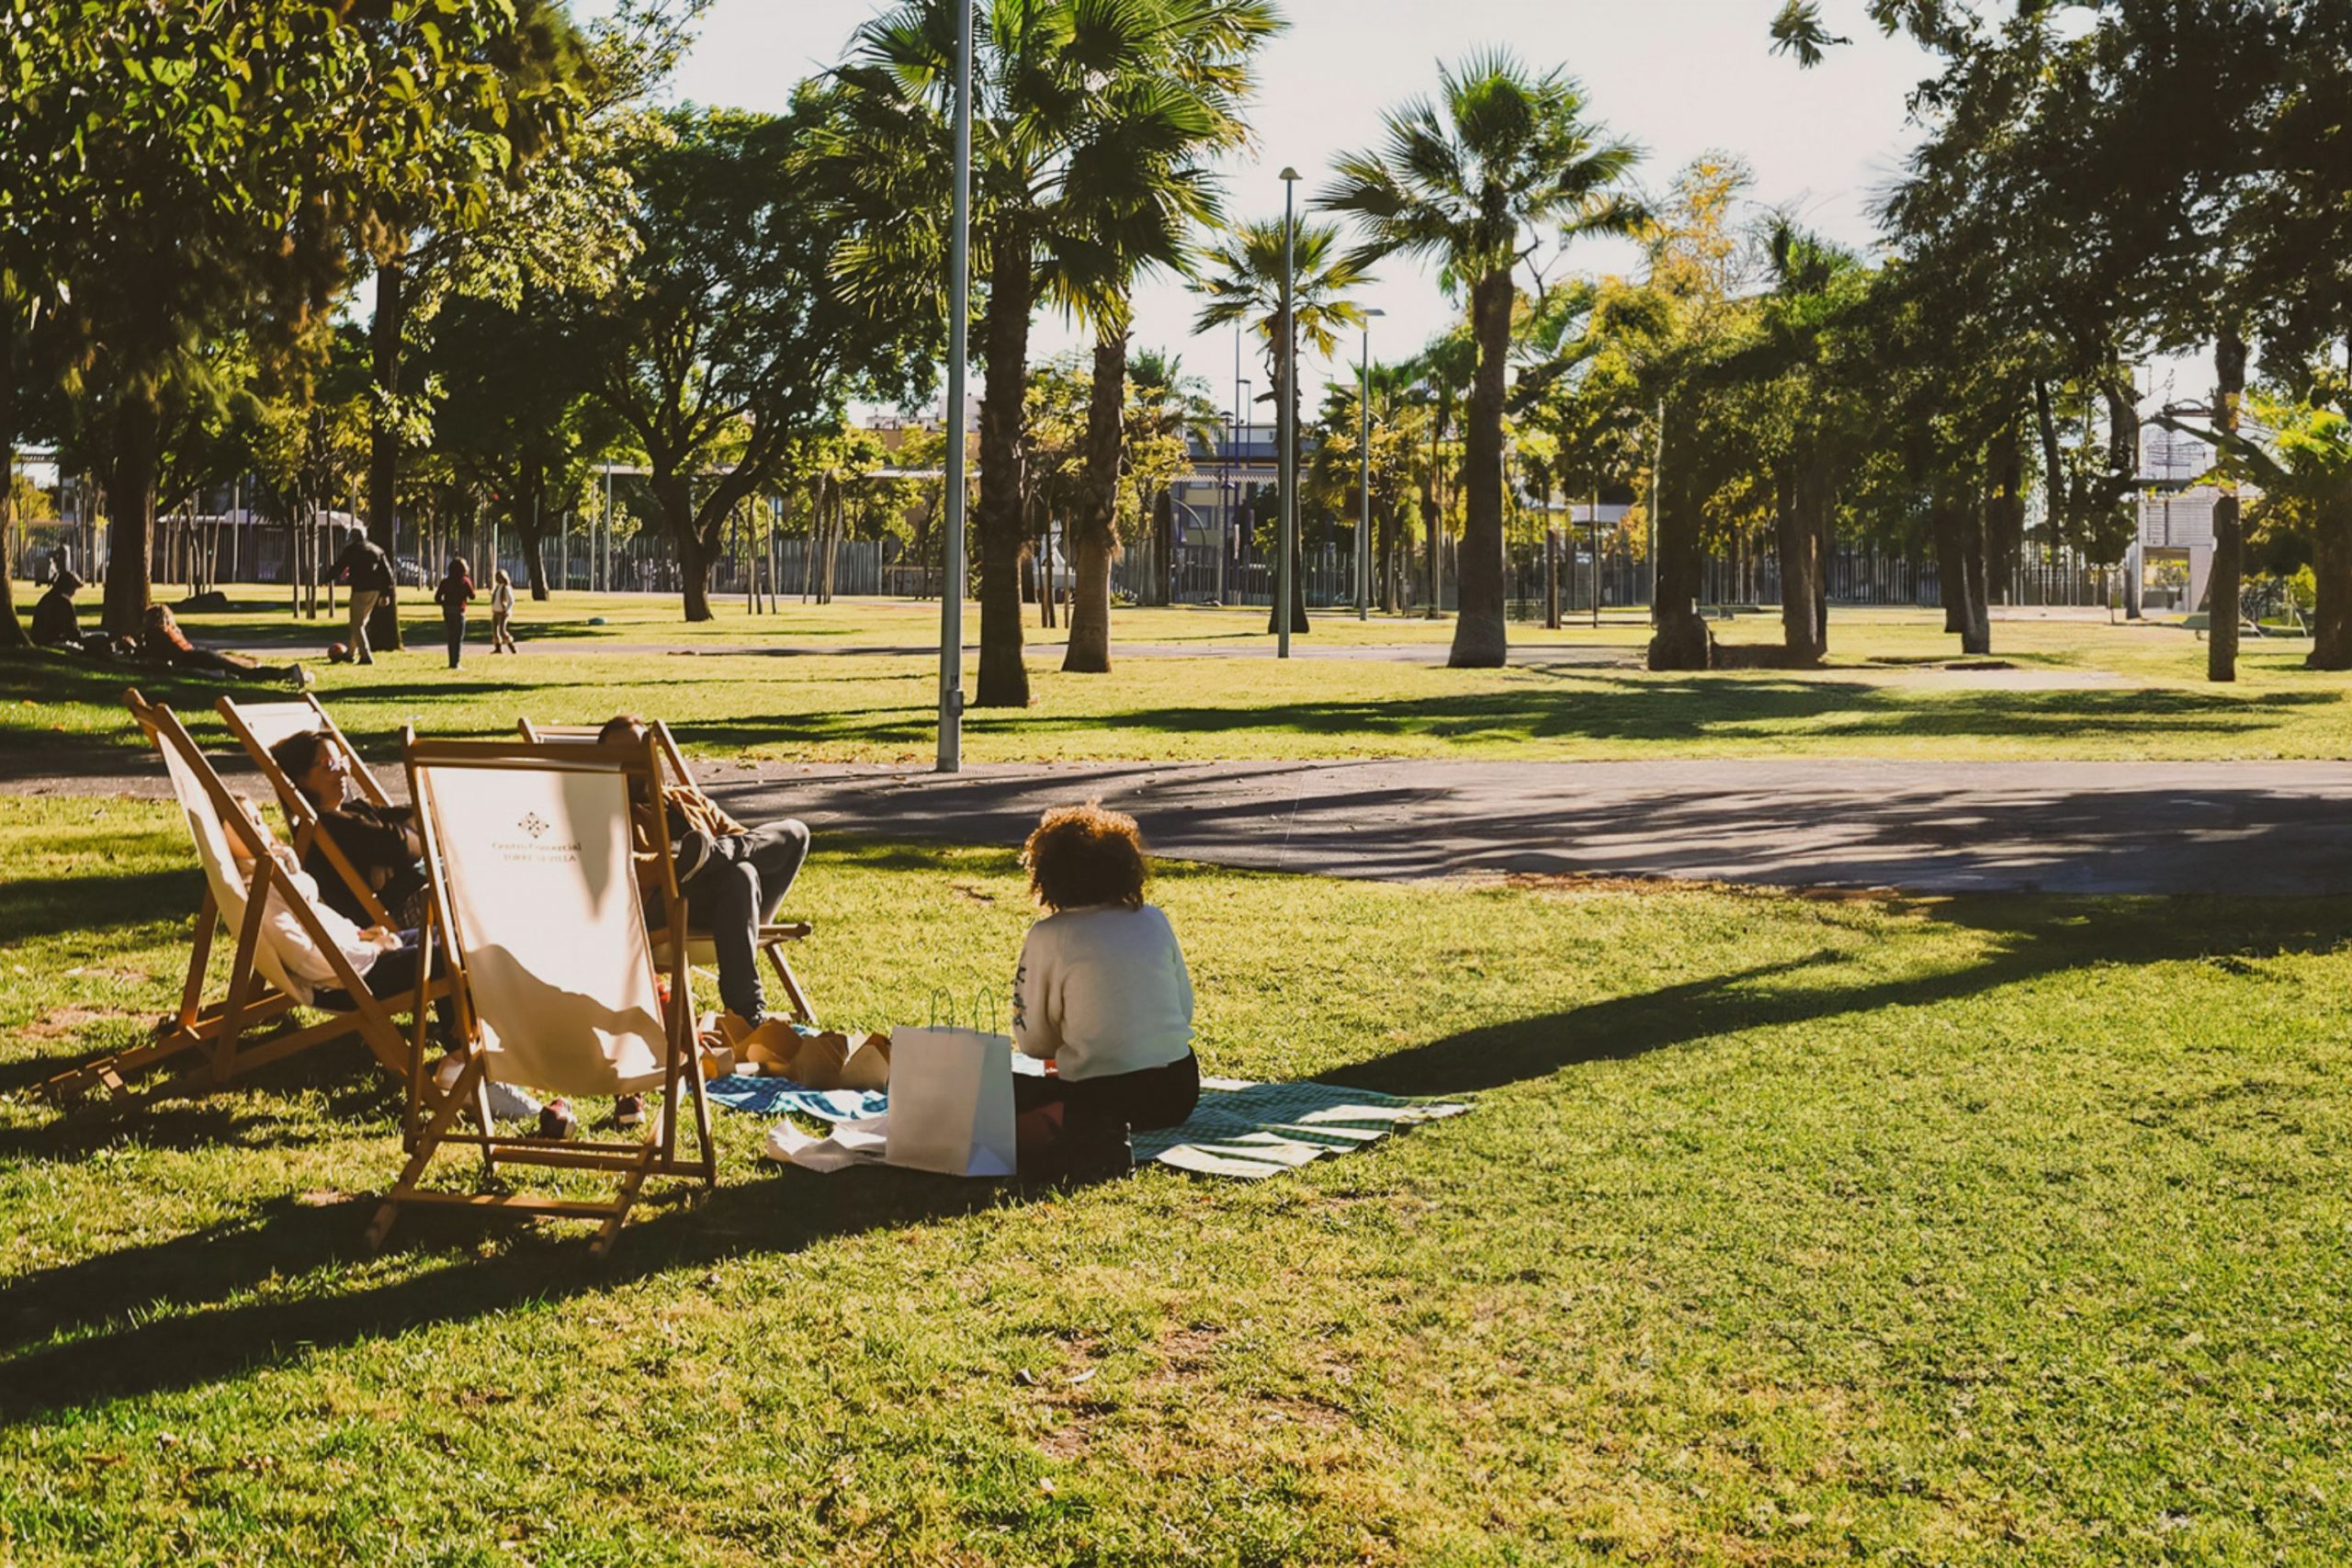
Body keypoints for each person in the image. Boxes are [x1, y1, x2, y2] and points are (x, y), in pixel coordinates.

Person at [220, 798, 553, 1131]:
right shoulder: (262, 890)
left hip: (353, 954)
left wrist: (360, 935)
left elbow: (318, 924)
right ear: (225, 842)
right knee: (457, 955)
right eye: (243, 824)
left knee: (454, 936)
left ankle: (472, 1049)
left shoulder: (275, 870)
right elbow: (307, 956)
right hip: (351, 978)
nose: (258, 828)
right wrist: (373, 950)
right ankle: (461, 1060)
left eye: (257, 818)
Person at [599, 714, 811, 1082]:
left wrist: (717, 853)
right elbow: (621, 866)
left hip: (737, 905)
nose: (634, 770)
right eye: (622, 762)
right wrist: (679, 865)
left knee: (795, 831)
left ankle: (713, 856)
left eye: (640, 756)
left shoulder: (686, 799)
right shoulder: (605, 810)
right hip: (668, 907)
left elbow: (748, 839)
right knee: (741, 874)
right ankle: (747, 1015)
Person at [1010, 804, 1199, 1179]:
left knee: (994, 1089)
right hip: (1178, 1091)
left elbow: (1033, 1042)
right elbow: (1184, 1009)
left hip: (1096, 1100)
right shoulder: (1154, 920)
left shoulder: (1049, 935)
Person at [265, 727, 429, 930]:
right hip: (390, 920)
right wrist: (417, 837)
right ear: (301, 779)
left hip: (413, 893)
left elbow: (419, 817)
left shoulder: (354, 809)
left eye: (343, 762)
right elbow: (401, 846)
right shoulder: (327, 825)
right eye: (329, 765)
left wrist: (407, 837)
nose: (343, 771)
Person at [140, 605, 310, 687]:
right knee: (239, 672)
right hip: (198, 654)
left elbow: (156, 655)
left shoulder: (155, 633)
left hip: (193, 658)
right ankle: (285, 674)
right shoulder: (172, 630)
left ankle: (287, 673)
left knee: (244, 674)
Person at [329, 531, 395, 664]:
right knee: (361, 623)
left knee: (356, 623)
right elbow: (388, 572)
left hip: (360, 589)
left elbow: (339, 566)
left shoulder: (352, 550)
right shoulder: (377, 550)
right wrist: (386, 593)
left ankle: (366, 655)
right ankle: (350, 653)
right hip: (375, 590)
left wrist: (327, 578)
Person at [433, 558, 473, 669]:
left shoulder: (445, 582)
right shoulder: (465, 581)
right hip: (459, 611)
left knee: (451, 637)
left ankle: (451, 662)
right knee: (458, 637)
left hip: (448, 611)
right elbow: (472, 596)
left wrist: (444, 603)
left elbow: (437, 597)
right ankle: (456, 662)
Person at [30, 570, 82, 648]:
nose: (74, 593)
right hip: (51, 641)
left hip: (40, 639)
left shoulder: (48, 598)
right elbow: (71, 631)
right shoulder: (64, 602)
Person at [489, 568, 518, 653]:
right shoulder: (498, 587)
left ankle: (512, 647)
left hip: (503, 612)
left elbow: (511, 600)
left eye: (499, 577)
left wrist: (507, 609)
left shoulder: (506, 587)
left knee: (502, 631)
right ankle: (498, 648)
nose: (497, 579)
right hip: (496, 611)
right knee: (495, 631)